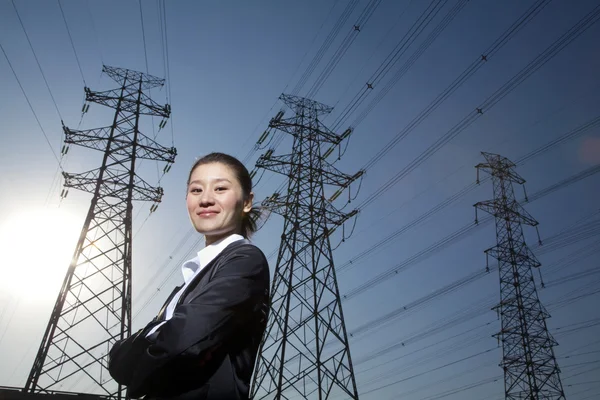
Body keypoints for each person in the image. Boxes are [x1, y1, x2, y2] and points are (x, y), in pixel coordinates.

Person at [108, 152, 270, 400]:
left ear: (246, 202)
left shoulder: (246, 260)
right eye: (196, 190)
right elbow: (129, 358)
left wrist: (139, 352)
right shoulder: (191, 279)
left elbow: (184, 342)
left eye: (220, 188)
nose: (205, 199)